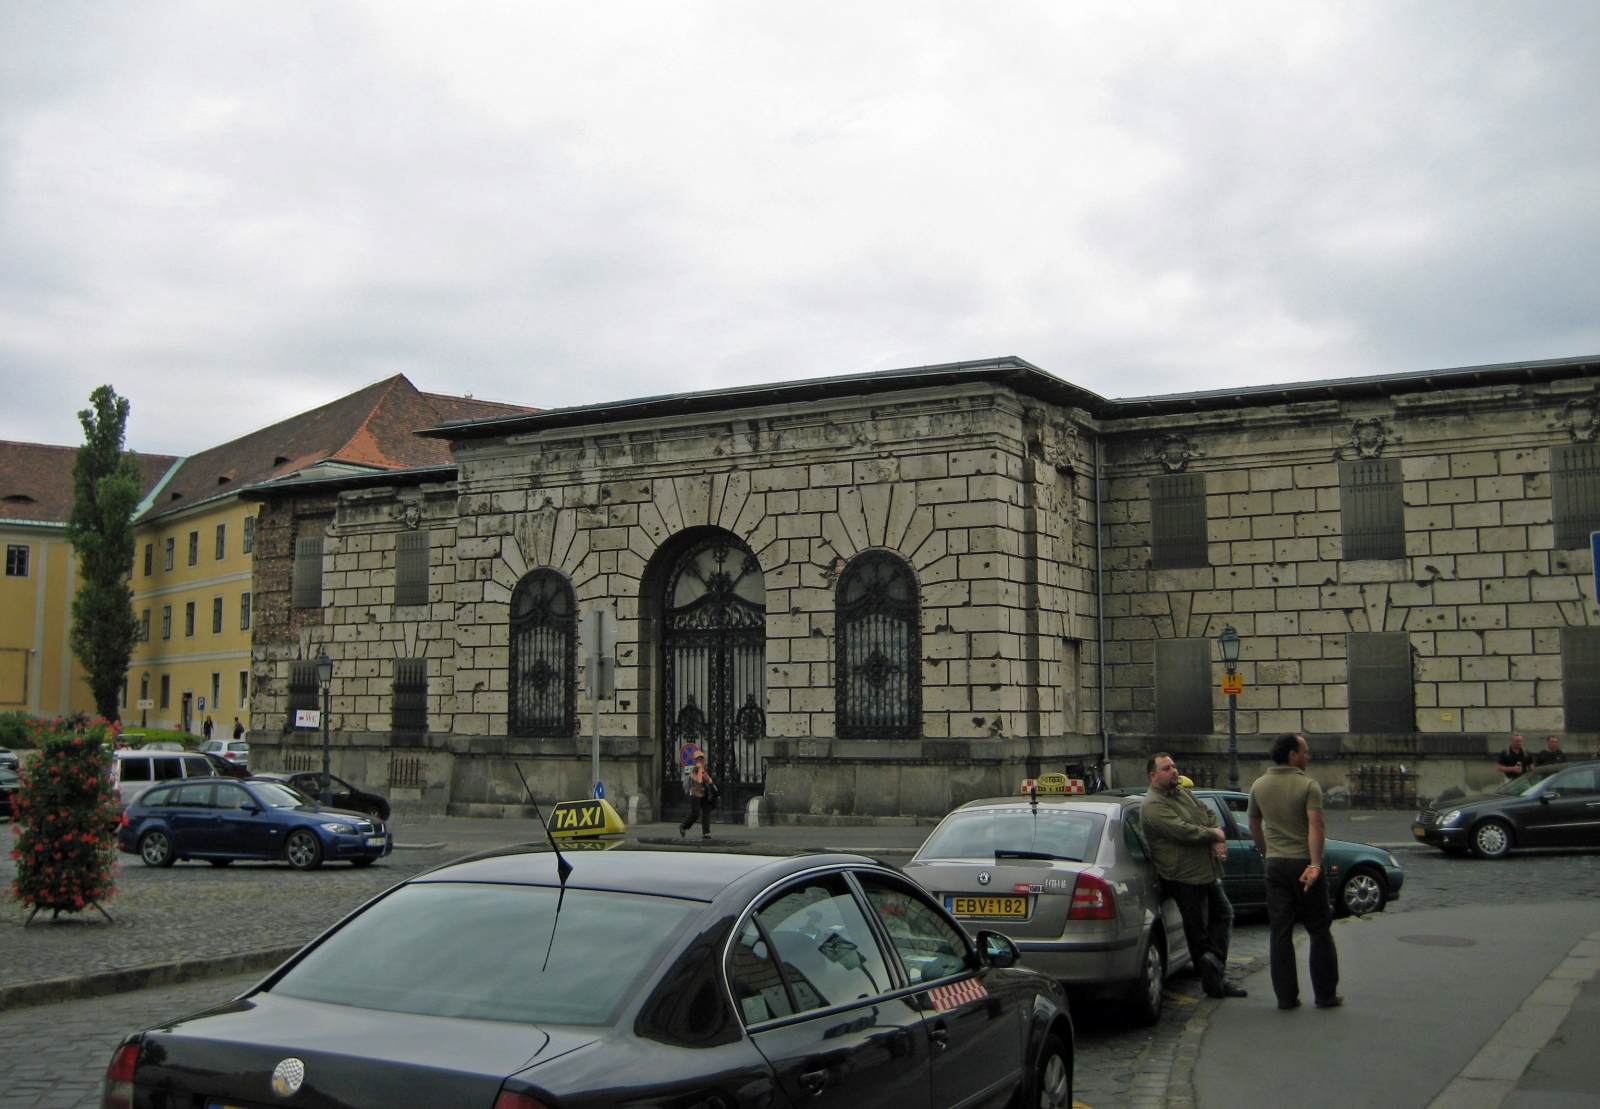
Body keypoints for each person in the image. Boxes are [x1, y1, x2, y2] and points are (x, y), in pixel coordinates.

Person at [1140, 753, 1246, 999]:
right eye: (1167, 768)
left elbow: (1208, 814)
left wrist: (1214, 836)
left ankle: (1213, 961)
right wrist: (1214, 836)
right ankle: (1214, 981)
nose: (1174, 771)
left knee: (1224, 913)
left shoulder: (1182, 793)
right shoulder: (1154, 804)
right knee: (1197, 930)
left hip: (1206, 870)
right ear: (1153, 776)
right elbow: (1182, 832)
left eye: (1174, 766)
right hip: (1182, 875)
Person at [1249, 732, 1341, 1011]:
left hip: (1275, 863)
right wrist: (1314, 864)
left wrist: (1266, 854)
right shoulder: (1309, 785)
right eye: (1304, 751)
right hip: (1303, 862)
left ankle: (1286, 998)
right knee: (1319, 929)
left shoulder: (1258, 785)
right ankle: (1325, 995)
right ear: (1292, 755)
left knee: (1280, 932)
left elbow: (1254, 825)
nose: (1308, 755)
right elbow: (1316, 826)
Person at [679, 753, 715, 840]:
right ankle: (683, 826)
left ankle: (706, 832)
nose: (699, 761)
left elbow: (710, 781)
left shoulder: (705, 770)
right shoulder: (693, 771)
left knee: (706, 813)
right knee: (696, 813)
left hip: (705, 794)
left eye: (701, 759)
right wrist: (699, 770)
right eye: (697, 759)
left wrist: (704, 774)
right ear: (694, 761)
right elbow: (698, 781)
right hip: (695, 794)